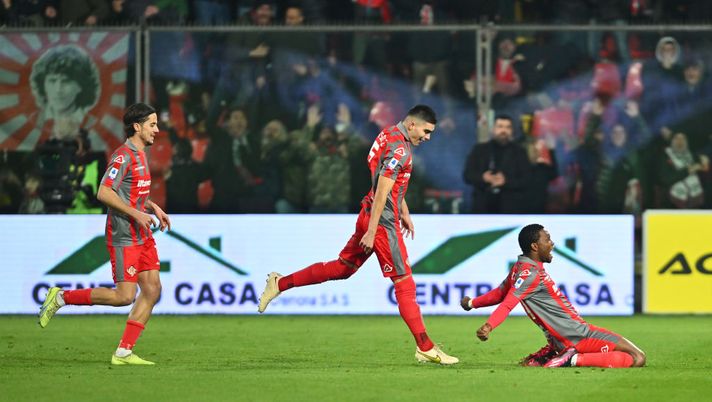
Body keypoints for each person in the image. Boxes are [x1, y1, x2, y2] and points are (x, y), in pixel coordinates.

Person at [257, 105, 459, 365]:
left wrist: (404, 209)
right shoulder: (400, 149)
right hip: (382, 221)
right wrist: (374, 230)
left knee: (343, 268)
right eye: (426, 131)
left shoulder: (387, 135)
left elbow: (386, 181)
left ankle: (280, 283)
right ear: (412, 125)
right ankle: (425, 347)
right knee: (404, 283)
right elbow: (383, 190)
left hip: (370, 212)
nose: (428, 137)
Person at [38, 103, 171, 366]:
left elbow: (132, 195)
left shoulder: (141, 154)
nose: (157, 130)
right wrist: (137, 214)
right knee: (124, 297)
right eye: (152, 125)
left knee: (153, 289)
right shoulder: (123, 156)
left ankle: (123, 352)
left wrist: (153, 207)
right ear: (137, 127)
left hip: (142, 234)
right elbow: (104, 192)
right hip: (124, 235)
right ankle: (61, 297)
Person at [461, 224, 646, 369]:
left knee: (630, 356)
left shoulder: (521, 268)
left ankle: (555, 353)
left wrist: (472, 303)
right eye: (547, 240)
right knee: (638, 358)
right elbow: (508, 303)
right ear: (535, 246)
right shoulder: (530, 274)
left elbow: (500, 293)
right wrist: (489, 326)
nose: (552, 243)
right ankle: (571, 359)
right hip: (579, 335)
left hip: (563, 337)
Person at [463, 115, 531, 213]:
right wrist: (483, 177)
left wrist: (505, 181)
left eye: (508, 127)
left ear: (512, 131)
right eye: (500, 126)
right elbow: (467, 175)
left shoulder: (519, 152)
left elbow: (527, 179)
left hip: (510, 208)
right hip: (482, 207)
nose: (504, 130)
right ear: (493, 129)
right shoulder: (479, 150)